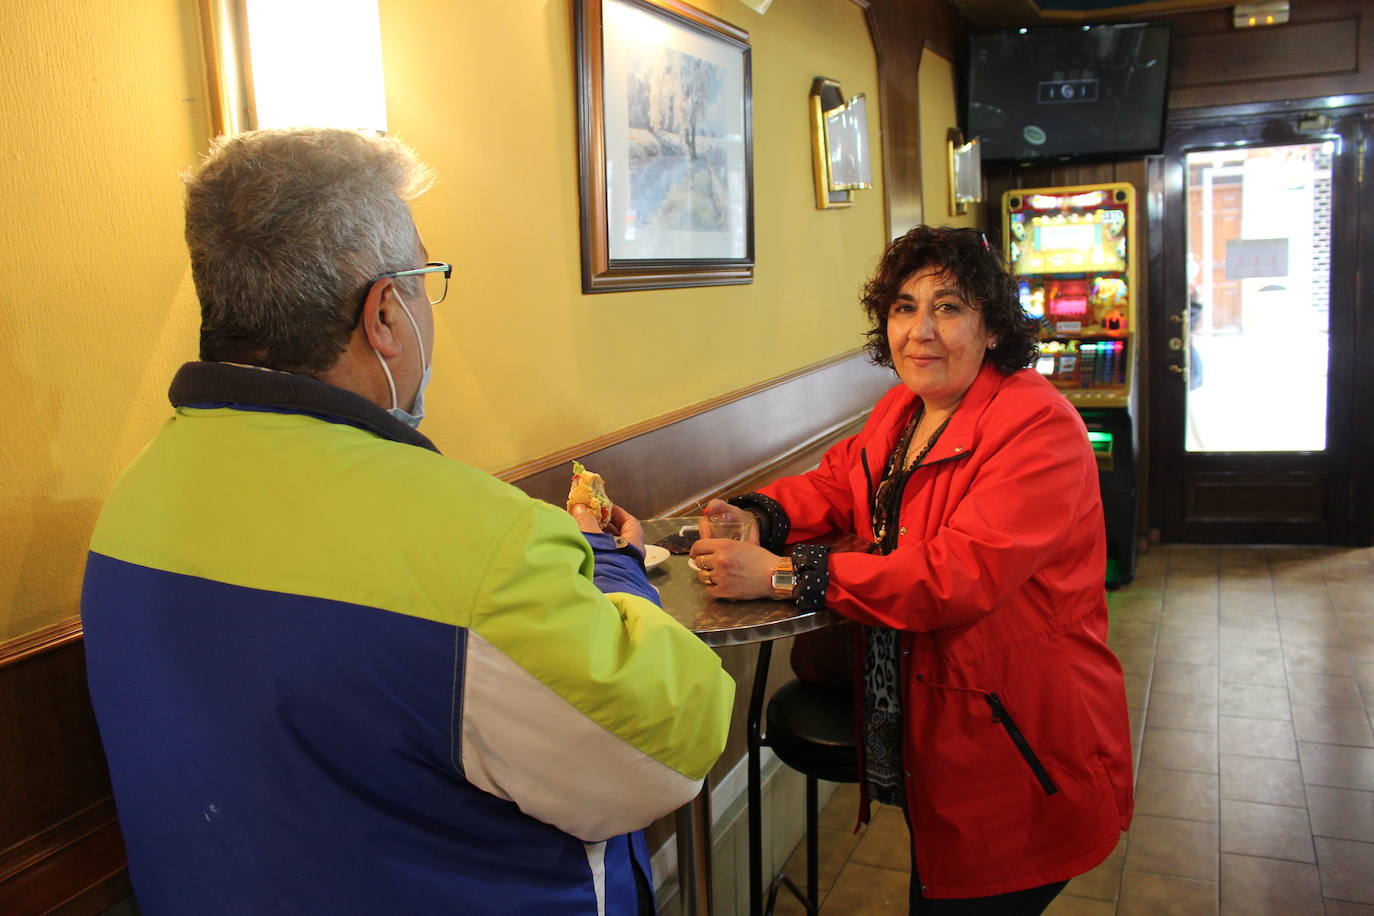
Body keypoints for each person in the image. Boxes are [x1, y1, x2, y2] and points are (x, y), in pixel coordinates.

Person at [80, 128, 733, 915]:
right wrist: (612, 563)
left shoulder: (132, 501)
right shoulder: (482, 546)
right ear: (385, 312)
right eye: (425, 281)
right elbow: (670, 746)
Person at [691, 226, 1133, 913]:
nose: (920, 330)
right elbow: (841, 483)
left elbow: (954, 576)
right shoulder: (905, 407)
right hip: (944, 722)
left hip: (1017, 740)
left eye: (948, 307)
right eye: (904, 307)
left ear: (992, 328)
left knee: (973, 890)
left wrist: (785, 573)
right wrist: (760, 516)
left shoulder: (1039, 427)